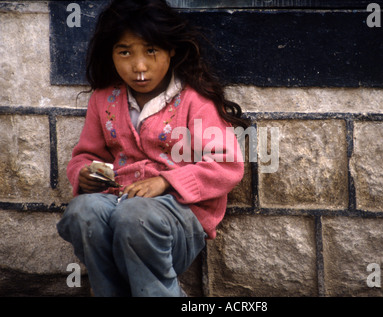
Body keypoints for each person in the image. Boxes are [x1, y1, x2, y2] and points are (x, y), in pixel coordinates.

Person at [57, 0, 246, 297]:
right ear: (111, 54)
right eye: (124, 52)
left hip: (177, 218)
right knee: (83, 210)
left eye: (151, 51)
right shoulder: (103, 99)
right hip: (117, 204)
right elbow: (87, 154)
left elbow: (227, 164)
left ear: (171, 50)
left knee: (135, 216)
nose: (139, 66)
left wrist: (165, 181)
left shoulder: (195, 101)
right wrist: (84, 173)